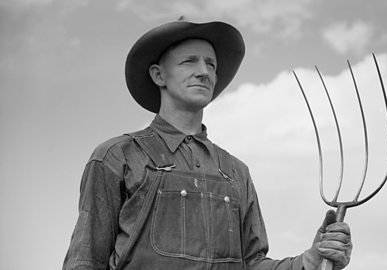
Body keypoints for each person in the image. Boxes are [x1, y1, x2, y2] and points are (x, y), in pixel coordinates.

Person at [63, 18, 352, 270]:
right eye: (190, 61)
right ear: (158, 75)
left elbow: (251, 264)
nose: (205, 71)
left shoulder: (236, 172)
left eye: (211, 64)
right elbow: (85, 260)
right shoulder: (117, 157)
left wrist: (310, 261)